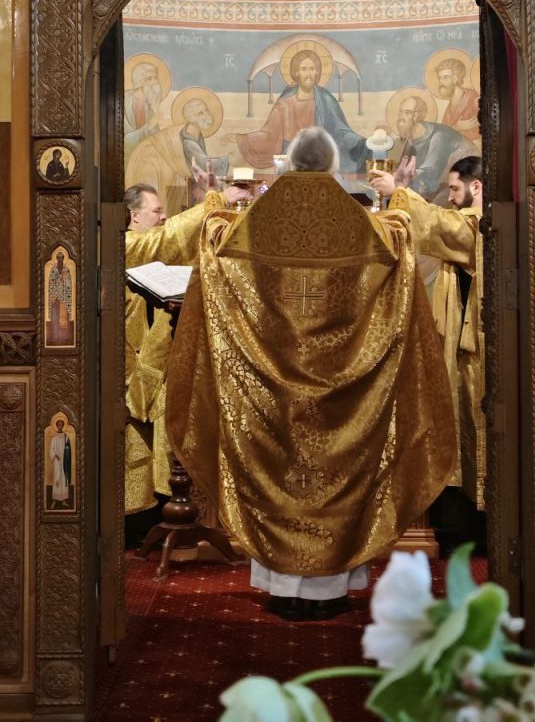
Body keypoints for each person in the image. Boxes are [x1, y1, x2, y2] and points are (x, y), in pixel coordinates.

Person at [166, 126, 456, 621]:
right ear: (331, 165)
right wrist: (399, 197)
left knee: (278, 473)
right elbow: (400, 238)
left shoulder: (253, 223)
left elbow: (214, 239)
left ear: (289, 163)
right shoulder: (362, 223)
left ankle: (282, 588)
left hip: (270, 393)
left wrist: (212, 199)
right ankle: (331, 590)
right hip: (344, 390)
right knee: (338, 474)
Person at [123, 180, 250, 515]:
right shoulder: (126, 245)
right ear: (134, 217)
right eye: (156, 211)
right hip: (131, 374)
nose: (164, 216)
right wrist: (217, 200)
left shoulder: (150, 251)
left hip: (164, 368)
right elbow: (166, 240)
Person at [371, 155, 485, 512]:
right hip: (457, 348)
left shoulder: (483, 226)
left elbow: (438, 225)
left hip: (481, 357)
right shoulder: (467, 221)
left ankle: (475, 519)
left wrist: (399, 192)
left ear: (476, 186)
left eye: (455, 188)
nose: (450, 197)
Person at [232, 49, 368, 173]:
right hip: (292, 160)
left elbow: (340, 132)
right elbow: (269, 134)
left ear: (317, 72)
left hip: (321, 159)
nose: (308, 74)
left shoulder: (326, 99)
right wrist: (243, 139)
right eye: (303, 69)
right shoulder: (285, 103)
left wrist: (363, 143)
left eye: (312, 69)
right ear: (296, 73)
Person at [125, 96, 229, 217]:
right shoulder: (188, 140)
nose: (207, 115)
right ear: (192, 118)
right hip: (151, 164)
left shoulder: (195, 135)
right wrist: (228, 160)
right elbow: (203, 164)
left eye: (206, 110)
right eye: (201, 113)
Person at [395, 94, 477, 204]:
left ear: (416, 116)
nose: (401, 117)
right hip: (444, 180)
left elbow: (431, 170)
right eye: (400, 112)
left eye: (407, 112)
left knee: (436, 203)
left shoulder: (438, 136)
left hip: (466, 174)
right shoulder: (410, 139)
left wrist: (407, 175)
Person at [124, 62, 164, 160]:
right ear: (139, 81)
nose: (154, 82)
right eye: (149, 78)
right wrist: (150, 126)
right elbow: (125, 141)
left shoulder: (152, 105)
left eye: (155, 78)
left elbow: (154, 139)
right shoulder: (125, 100)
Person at [435, 57, 480, 141]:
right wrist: (456, 127)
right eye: (439, 78)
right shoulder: (450, 105)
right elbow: (443, 132)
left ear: (455, 79)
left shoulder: (473, 98)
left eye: (445, 77)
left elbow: (482, 129)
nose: (441, 82)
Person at [46, 251, 74, 346]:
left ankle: (64, 337)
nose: (60, 260)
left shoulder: (66, 270)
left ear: (63, 259)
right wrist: (60, 278)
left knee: (64, 317)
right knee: (55, 317)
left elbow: (69, 284)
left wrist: (65, 279)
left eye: (62, 258)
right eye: (59, 258)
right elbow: (51, 282)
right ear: (57, 259)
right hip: (55, 298)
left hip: (64, 298)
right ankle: (55, 337)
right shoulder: (53, 269)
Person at [49, 418, 72, 509]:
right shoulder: (54, 437)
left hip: (64, 461)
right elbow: (51, 449)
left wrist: (66, 455)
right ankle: (54, 500)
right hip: (57, 461)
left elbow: (68, 449)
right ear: (56, 426)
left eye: (61, 425)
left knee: (64, 479)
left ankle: (64, 500)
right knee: (57, 479)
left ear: (63, 426)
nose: (60, 426)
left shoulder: (66, 437)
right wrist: (55, 455)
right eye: (58, 425)